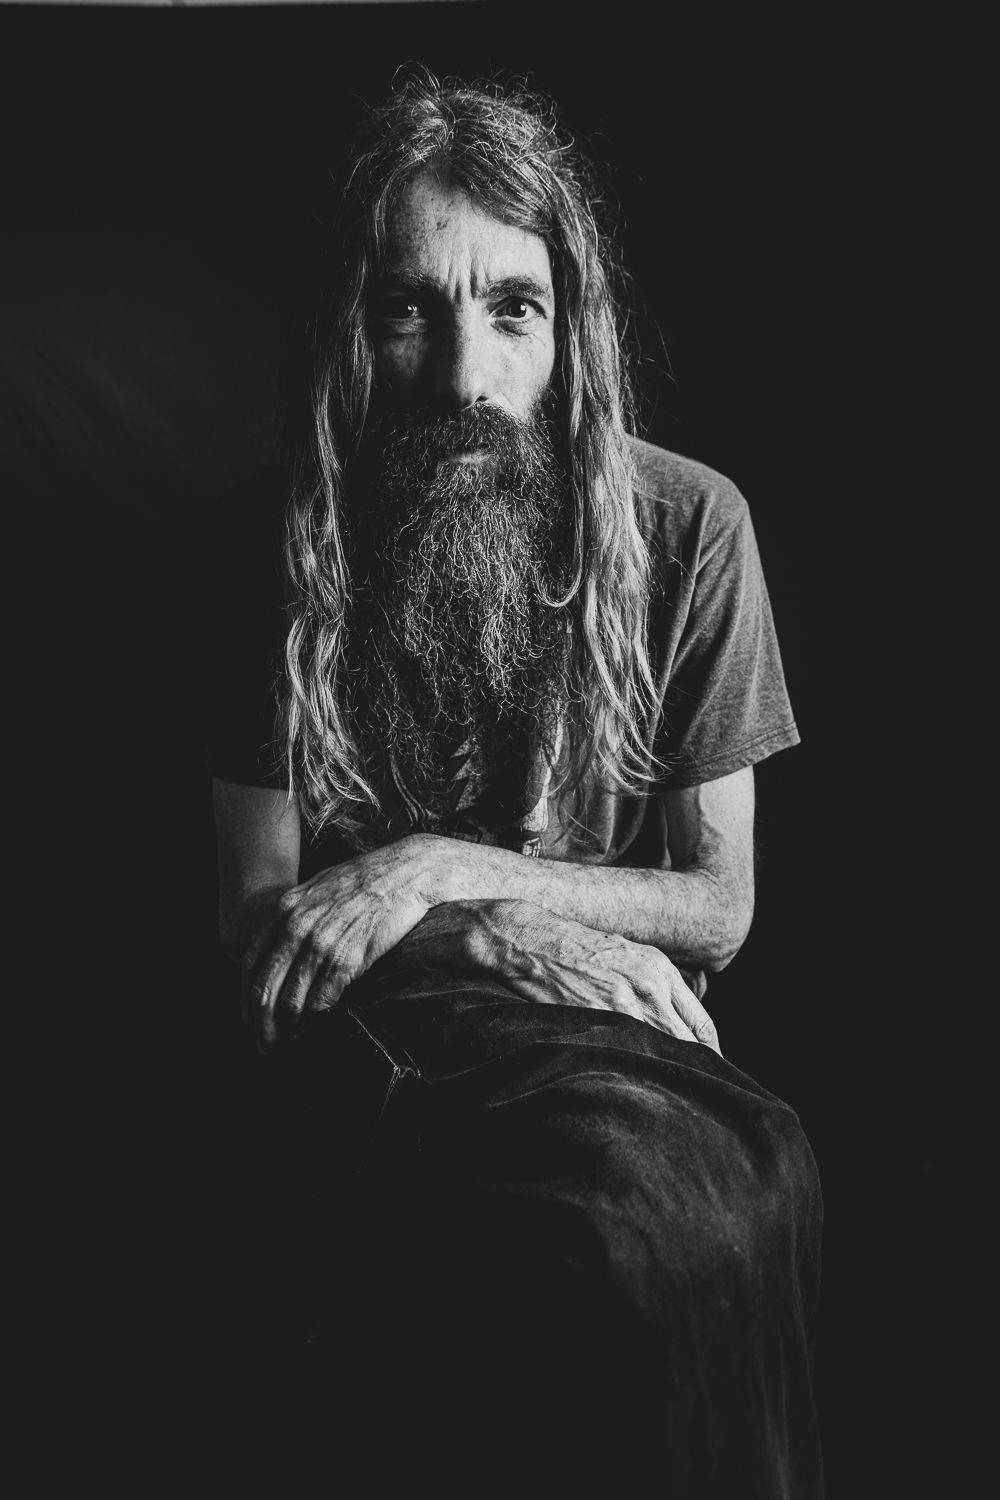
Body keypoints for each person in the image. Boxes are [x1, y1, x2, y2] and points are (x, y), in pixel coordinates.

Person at [208, 70, 823, 1499]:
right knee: (599, 1246)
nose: (465, 375)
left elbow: (719, 907)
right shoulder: (269, 540)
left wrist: (440, 872)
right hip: (376, 1032)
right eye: (408, 309)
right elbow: (252, 914)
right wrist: (473, 936)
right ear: (353, 327)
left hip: (613, 1028)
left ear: (571, 327)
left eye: (512, 309)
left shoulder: (692, 527)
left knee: (767, 1175)